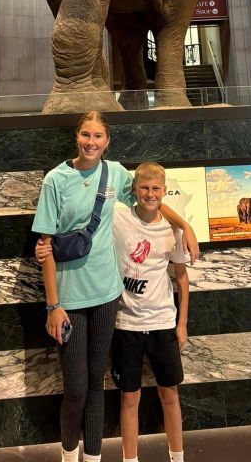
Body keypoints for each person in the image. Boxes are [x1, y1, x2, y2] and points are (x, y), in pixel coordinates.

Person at [33, 111, 197, 462]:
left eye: (98, 136)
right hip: (70, 299)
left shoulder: (116, 173)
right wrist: (53, 305)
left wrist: (185, 226)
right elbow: (45, 246)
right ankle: (68, 456)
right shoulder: (55, 180)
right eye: (86, 135)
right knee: (76, 387)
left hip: (108, 297)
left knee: (97, 383)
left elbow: (150, 198)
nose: (91, 142)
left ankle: (93, 458)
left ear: (107, 141)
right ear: (77, 136)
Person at [111, 162, 190, 462]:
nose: (150, 194)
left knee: (169, 393)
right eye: (144, 187)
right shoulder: (118, 218)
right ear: (134, 190)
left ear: (164, 191)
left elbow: (181, 278)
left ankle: (177, 457)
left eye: (156, 188)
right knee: (129, 397)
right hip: (125, 323)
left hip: (162, 322)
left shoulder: (172, 230)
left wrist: (181, 324)